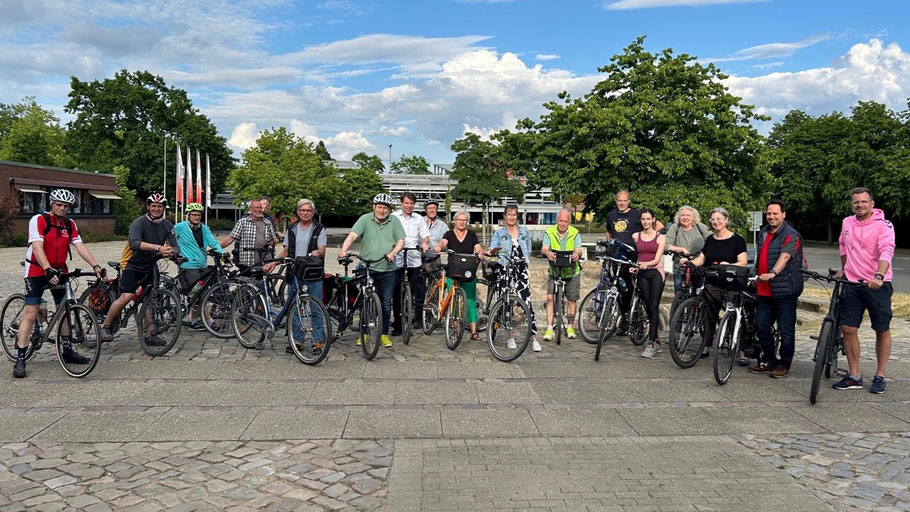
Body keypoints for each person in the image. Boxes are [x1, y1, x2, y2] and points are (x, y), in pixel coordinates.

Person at [13, 189, 105, 378]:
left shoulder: (70, 224)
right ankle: (20, 357)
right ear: (51, 204)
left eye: (66, 206)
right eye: (59, 205)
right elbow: (37, 247)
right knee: (31, 313)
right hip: (36, 269)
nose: (62, 208)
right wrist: (47, 269)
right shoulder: (39, 220)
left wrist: (95, 265)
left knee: (64, 310)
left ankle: (66, 349)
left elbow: (79, 246)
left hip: (59, 269)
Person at [832, 187, 895, 394]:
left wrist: (878, 276)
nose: (859, 205)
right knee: (848, 328)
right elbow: (843, 245)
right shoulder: (847, 222)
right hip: (853, 283)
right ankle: (854, 375)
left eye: (863, 202)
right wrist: (845, 267)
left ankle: (880, 375)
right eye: (856, 202)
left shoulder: (883, 225)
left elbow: (887, 250)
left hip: (877, 284)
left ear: (872, 203)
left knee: (881, 328)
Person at [100, 193, 181, 344]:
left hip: (150, 265)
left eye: (160, 206)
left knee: (149, 299)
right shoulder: (139, 222)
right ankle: (105, 325)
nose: (156, 209)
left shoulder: (167, 225)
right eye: (154, 206)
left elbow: (175, 245)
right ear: (148, 207)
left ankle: (150, 334)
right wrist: (158, 248)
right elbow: (134, 243)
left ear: (164, 208)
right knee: (127, 296)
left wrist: (173, 253)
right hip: (132, 264)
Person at [339, 193, 405, 347]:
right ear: (374, 207)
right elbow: (352, 236)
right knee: (364, 301)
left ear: (389, 209)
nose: (382, 210)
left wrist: (393, 253)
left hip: (387, 268)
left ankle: (383, 334)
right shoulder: (365, 219)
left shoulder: (394, 220)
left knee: (385, 302)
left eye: (385, 208)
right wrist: (343, 250)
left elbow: (401, 240)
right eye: (379, 207)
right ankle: (364, 333)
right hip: (366, 267)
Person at [681, 207, 747, 359]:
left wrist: (728, 266)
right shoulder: (710, 239)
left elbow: (742, 262)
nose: (715, 222)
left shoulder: (737, 239)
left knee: (734, 315)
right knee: (708, 315)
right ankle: (705, 346)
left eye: (719, 219)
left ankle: (740, 349)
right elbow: (702, 258)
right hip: (712, 282)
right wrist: (691, 263)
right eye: (713, 219)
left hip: (731, 282)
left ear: (726, 220)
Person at [748, 200, 804, 378]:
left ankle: (784, 363)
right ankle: (769, 359)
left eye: (775, 213)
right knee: (761, 326)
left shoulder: (791, 235)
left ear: (783, 214)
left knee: (786, 330)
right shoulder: (764, 232)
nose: (771, 217)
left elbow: (785, 256)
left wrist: (773, 272)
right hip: (764, 289)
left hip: (785, 289)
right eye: (769, 214)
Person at [266, 199, 327, 354]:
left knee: (316, 308)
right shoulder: (292, 228)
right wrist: (274, 263)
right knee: (295, 307)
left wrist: (317, 253)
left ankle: (317, 341)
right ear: (298, 212)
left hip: (313, 273)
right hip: (294, 273)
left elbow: (322, 251)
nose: (305, 213)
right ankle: (297, 340)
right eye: (302, 210)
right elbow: (286, 251)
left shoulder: (319, 228)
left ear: (313, 212)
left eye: (308, 211)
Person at [604, 190, 664, 323]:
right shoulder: (611, 215)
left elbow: (659, 225)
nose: (622, 203)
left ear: (629, 201)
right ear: (616, 201)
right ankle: (623, 318)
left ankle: (636, 313)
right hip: (617, 257)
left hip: (632, 256)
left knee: (631, 287)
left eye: (624, 200)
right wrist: (609, 244)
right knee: (619, 287)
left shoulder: (637, 214)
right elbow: (608, 230)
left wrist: (646, 238)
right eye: (619, 200)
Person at [488, 205, 540, 352]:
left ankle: (533, 337)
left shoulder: (523, 231)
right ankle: (510, 336)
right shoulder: (500, 233)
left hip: (521, 269)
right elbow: (493, 247)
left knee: (527, 302)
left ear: (517, 217)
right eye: (509, 214)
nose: (511, 217)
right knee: (506, 303)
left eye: (514, 214)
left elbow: (528, 249)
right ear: (504, 216)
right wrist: (490, 251)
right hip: (505, 269)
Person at [434, 211, 484, 341]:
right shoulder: (449, 234)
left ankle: (473, 332)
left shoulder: (472, 234)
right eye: (459, 219)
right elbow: (443, 242)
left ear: (467, 222)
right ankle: (455, 329)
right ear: (455, 221)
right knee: (454, 301)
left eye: (464, 220)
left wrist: (479, 253)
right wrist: (439, 247)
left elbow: (477, 247)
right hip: (453, 271)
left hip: (468, 272)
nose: (461, 222)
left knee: (471, 301)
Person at [174, 202, 224, 329]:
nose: (197, 217)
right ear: (188, 215)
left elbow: (213, 242)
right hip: (188, 265)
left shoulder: (204, 228)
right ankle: (210, 322)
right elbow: (169, 238)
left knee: (199, 293)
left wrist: (222, 254)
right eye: (194, 215)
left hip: (202, 264)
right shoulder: (179, 227)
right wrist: (173, 253)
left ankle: (194, 321)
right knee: (198, 293)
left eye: (199, 215)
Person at [541, 209, 583, 343]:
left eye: (565, 221)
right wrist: (548, 253)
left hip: (571, 271)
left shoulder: (575, 232)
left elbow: (579, 249)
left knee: (571, 299)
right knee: (549, 298)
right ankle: (549, 327)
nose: (563, 224)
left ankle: (570, 326)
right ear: (556, 220)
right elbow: (544, 248)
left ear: (569, 222)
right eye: (561, 220)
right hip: (555, 270)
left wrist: (577, 254)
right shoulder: (550, 231)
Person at [392, 193, 429, 336]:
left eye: (411, 203)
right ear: (401, 203)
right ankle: (397, 324)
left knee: (412, 293)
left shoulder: (419, 219)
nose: (409, 206)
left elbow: (425, 236)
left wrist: (424, 244)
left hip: (414, 258)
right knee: (396, 293)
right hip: (397, 258)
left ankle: (408, 323)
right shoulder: (394, 217)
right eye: (406, 203)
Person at [632, 209, 667, 358]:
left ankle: (651, 343)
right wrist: (635, 267)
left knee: (653, 306)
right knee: (649, 308)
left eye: (648, 219)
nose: (645, 222)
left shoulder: (660, 238)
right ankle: (657, 340)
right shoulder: (636, 236)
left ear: (653, 220)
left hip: (655, 273)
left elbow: (657, 259)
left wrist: (646, 264)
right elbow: (637, 255)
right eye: (643, 219)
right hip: (642, 273)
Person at [221, 199, 277, 270]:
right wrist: (217, 247)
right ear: (251, 209)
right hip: (247, 261)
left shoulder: (268, 223)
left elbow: (273, 240)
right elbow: (231, 238)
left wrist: (267, 246)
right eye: (256, 208)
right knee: (246, 280)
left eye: (260, 207)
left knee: (263, 280)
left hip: (264, 261)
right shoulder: (243, 222)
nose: (258, 210)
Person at [665, 205, 710, 293]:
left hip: (698, 266)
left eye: (688, 215)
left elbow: (712, 241)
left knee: (698, 293)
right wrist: (680, 249)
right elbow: (666, 245)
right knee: (679, 293)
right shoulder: (675, 227)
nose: (685, 218)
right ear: (678, 217)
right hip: (680, 266)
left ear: (693, 217)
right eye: (683, 215)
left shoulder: (701, 227)